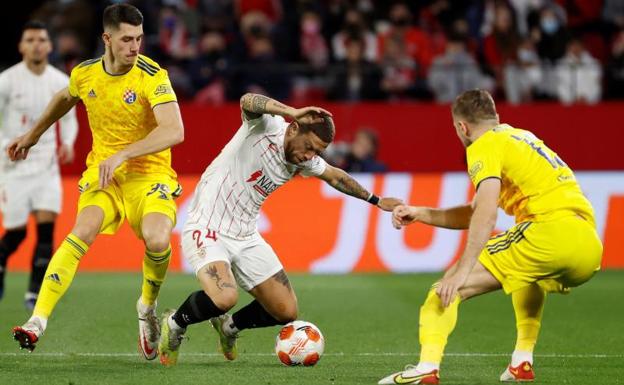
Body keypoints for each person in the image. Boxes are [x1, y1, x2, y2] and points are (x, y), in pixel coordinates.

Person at [157, 93, 402, 366]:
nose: (310, 156)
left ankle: (229, 328)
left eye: (317, 152)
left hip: (247, 236)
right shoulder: (266, 126)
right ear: (294, 127)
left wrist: (377, 201)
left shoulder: (303, 160)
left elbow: (335, 176)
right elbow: (247, 100)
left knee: (286, 310)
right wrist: (291, 110)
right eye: (309, 146)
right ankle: (175, 324)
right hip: (208, 226)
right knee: (225, 296)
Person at [378, 89, 602, 384]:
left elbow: (485, 214)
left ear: (462, 127)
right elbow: (473, 212)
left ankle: (426, 368)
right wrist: (421, 213)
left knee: (444, 289)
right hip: (588, 244)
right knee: (525, 275)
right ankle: (522, 360)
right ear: (496, 117)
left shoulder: (483, 145)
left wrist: (462, 272)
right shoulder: (522, 137)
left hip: (548, 232)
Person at [7, 4, 184, 360]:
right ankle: (37, 320)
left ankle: (147, 307)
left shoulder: (152, 75)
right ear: (107, 38)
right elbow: (64, 98)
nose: (135, 47)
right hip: (104, 177)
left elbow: (175, 130)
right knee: (81, 231)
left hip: (149, 176)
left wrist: (123, 154)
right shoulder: (86, 74)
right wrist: (33, 134)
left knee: (157, 238)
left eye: (139, 39)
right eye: (126, 40)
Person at [0, 21, 77, 311]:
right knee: (17, 233)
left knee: (46, 231)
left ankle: (34, 293)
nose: (36, 44)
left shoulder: (59, 81)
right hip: (13, 166)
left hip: (46, 164)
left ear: (49, 46)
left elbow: (69, 118)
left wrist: (67, 142)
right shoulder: (6, 80)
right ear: (21, 46)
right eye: (30, 39)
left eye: (41, 39)